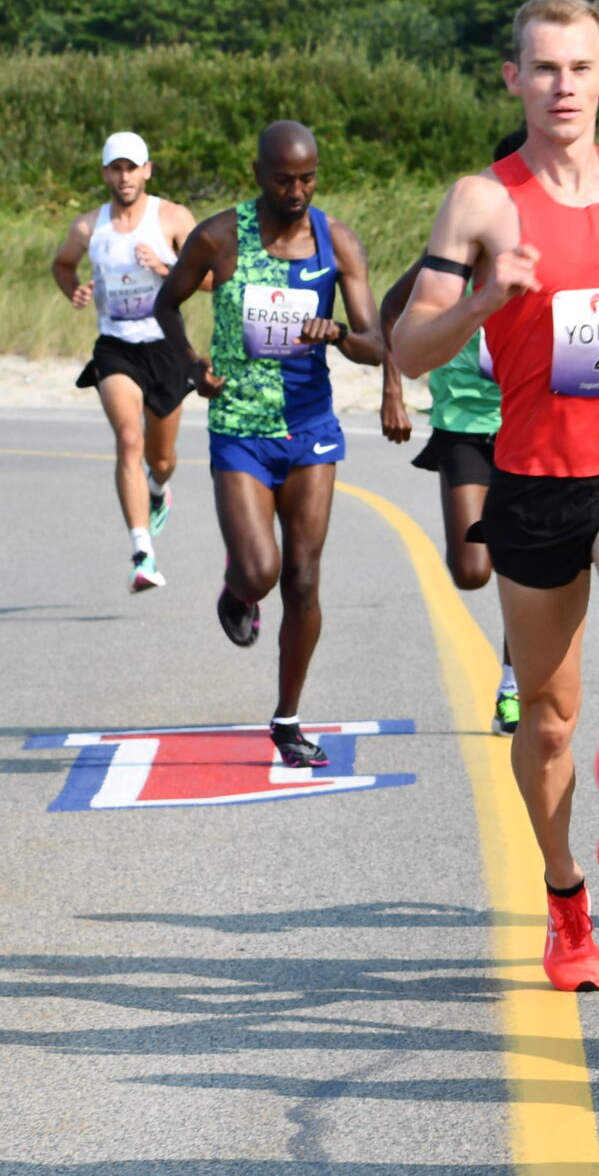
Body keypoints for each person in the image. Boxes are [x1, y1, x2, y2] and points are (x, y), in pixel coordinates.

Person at [391, 0, 599, 993]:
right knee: (544, 720)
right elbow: (410, 348)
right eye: (543, 69)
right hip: (532, 480)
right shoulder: (480, 202)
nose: (562, 86)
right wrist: (488, 300)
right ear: (514, 79)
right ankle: (565, 900)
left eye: (579, 68)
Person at [152, 122, 384, 767]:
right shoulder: (219, 238)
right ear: (258, 174)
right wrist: (193, 366)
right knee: (261, 571)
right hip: (240, 431)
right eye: (283, 179)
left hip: (311, 429)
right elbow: (165, 307)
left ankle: (287, 718)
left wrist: (337, 332)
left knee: (304, 578)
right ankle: (236, 589)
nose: (297, 191)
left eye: (307, 178)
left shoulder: (336, 241)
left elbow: (375, 345)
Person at [379, 128, 530, 735]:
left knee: (523, 562)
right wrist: (394, 387)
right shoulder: (461, 245)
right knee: (472, 569)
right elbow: (392, 309)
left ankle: (513, 685)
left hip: (531, 423)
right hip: (464, 423)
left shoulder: (563, 246)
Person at [55, 132, 204, 593]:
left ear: (147, 170)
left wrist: (165, 268)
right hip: (115, 347)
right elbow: (62, 265)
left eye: (131, 168)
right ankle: (143, 554)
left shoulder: (173, 217)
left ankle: (159, 489)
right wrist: (74, 289)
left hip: (166, 346)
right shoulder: (88, 228)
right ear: (105, 173)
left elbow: (213, 274)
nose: (124, 177)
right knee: (128, 439)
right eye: (115, 168)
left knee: (161, 458)